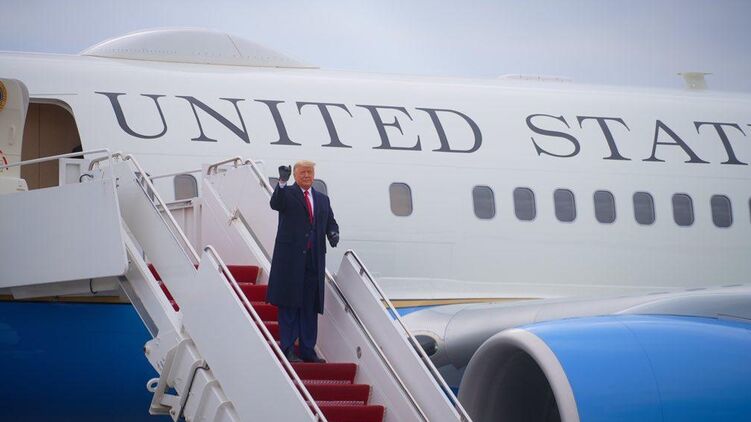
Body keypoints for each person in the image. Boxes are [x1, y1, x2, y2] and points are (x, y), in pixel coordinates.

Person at [267, 160, 339, 363]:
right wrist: (282, 182)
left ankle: (307, 350)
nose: (307, 175)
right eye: (302, 172)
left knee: (309, 307)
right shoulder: (288, 194)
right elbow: (276, 204)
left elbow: (330, 222)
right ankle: (288, 349)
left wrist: (333, 233)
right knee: (289, 306)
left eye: (310, 172)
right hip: (290, 262)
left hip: (314, 261)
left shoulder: (322, 199)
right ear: (295, 175)